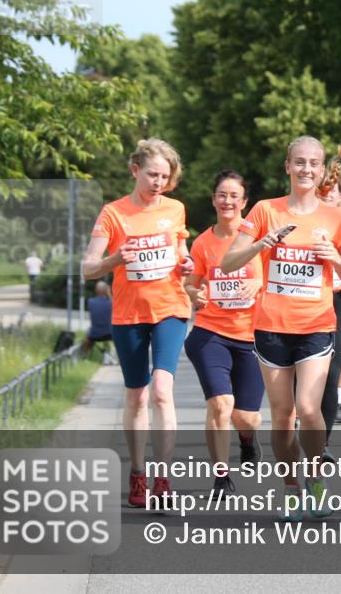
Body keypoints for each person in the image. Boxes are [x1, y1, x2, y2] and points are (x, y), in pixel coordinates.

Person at [221, 135, 341, 520]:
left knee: (308, 408)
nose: (306, 169)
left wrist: (334, 256)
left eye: (313, 163)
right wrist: (260, 244)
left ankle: (315, 478)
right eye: (299, 162)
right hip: (272, 326)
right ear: (287, 166)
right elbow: (230, 262)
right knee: (282, 415)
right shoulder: (266, 210)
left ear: (321, 169)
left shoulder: (335, 218)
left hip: (316, 325)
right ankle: (291, 488)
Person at [82, 138, 193, 508]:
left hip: (170, 308)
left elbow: (180, 251)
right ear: (135, 171)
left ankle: (163, 477)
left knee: (162, 389)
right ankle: (138, 472)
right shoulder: (113, 213)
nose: (158, 182)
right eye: (152, 174)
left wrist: (187, 261)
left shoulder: (176, 209)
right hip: (128, 314)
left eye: (164, 176)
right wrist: (116, 259)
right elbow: (88, 268)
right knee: (137, 395)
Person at [184, 170, 265, 495]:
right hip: (211, 333)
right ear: (213, 199)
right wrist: (194, 293)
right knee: (220, 403)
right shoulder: (203, 242)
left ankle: (247, 439)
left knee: (247, 418)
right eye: (222, 194)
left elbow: (275, 275)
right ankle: (221, 475)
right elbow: (191, 282)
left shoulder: (260, 239)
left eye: (234, 196)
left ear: (244, 202)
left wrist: (257, 282)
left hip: (252, 336)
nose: (227, 201)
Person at [316, 145, 341, 463]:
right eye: (323, 194)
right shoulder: (301, 221)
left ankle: (323, 442)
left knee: (331, 373)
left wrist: (337, 258)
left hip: (339, 301)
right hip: (306, 305)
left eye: (334, 194)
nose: (329, 198)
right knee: (306, 376)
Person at [82, 281, 114, 362]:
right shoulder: (111, 302)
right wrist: (109, 294)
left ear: (96, 290)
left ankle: (85, 357)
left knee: (88, 332)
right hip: (110, 334)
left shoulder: (91, 302)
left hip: (94, 334)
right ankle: (110, 356)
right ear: (107, 290)